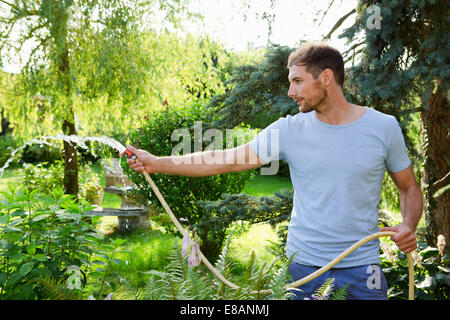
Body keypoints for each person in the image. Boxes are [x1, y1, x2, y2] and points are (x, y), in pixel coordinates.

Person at [122, 42, 423, 300]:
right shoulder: (288, 130)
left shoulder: (383, 127)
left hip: (363, 269)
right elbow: (224, 158)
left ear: (326, 78)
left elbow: (408, 187)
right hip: (305, 267)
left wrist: (408, 224)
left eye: (298, 81)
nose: (291, 91)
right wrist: (156, 162)